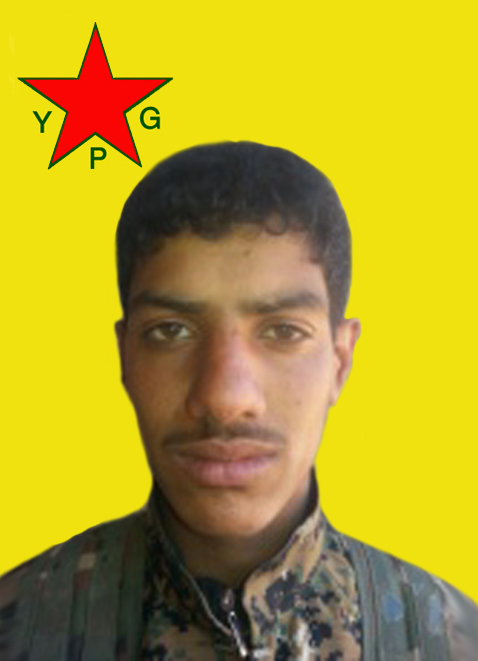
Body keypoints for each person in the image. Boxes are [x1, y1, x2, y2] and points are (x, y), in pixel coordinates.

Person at [0, 142, 476, 660]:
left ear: (340, 361)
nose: (225, 400)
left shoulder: (454, 642)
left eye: (283, 331)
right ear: (125, 356)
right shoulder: (17, 626)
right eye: (171, 331)